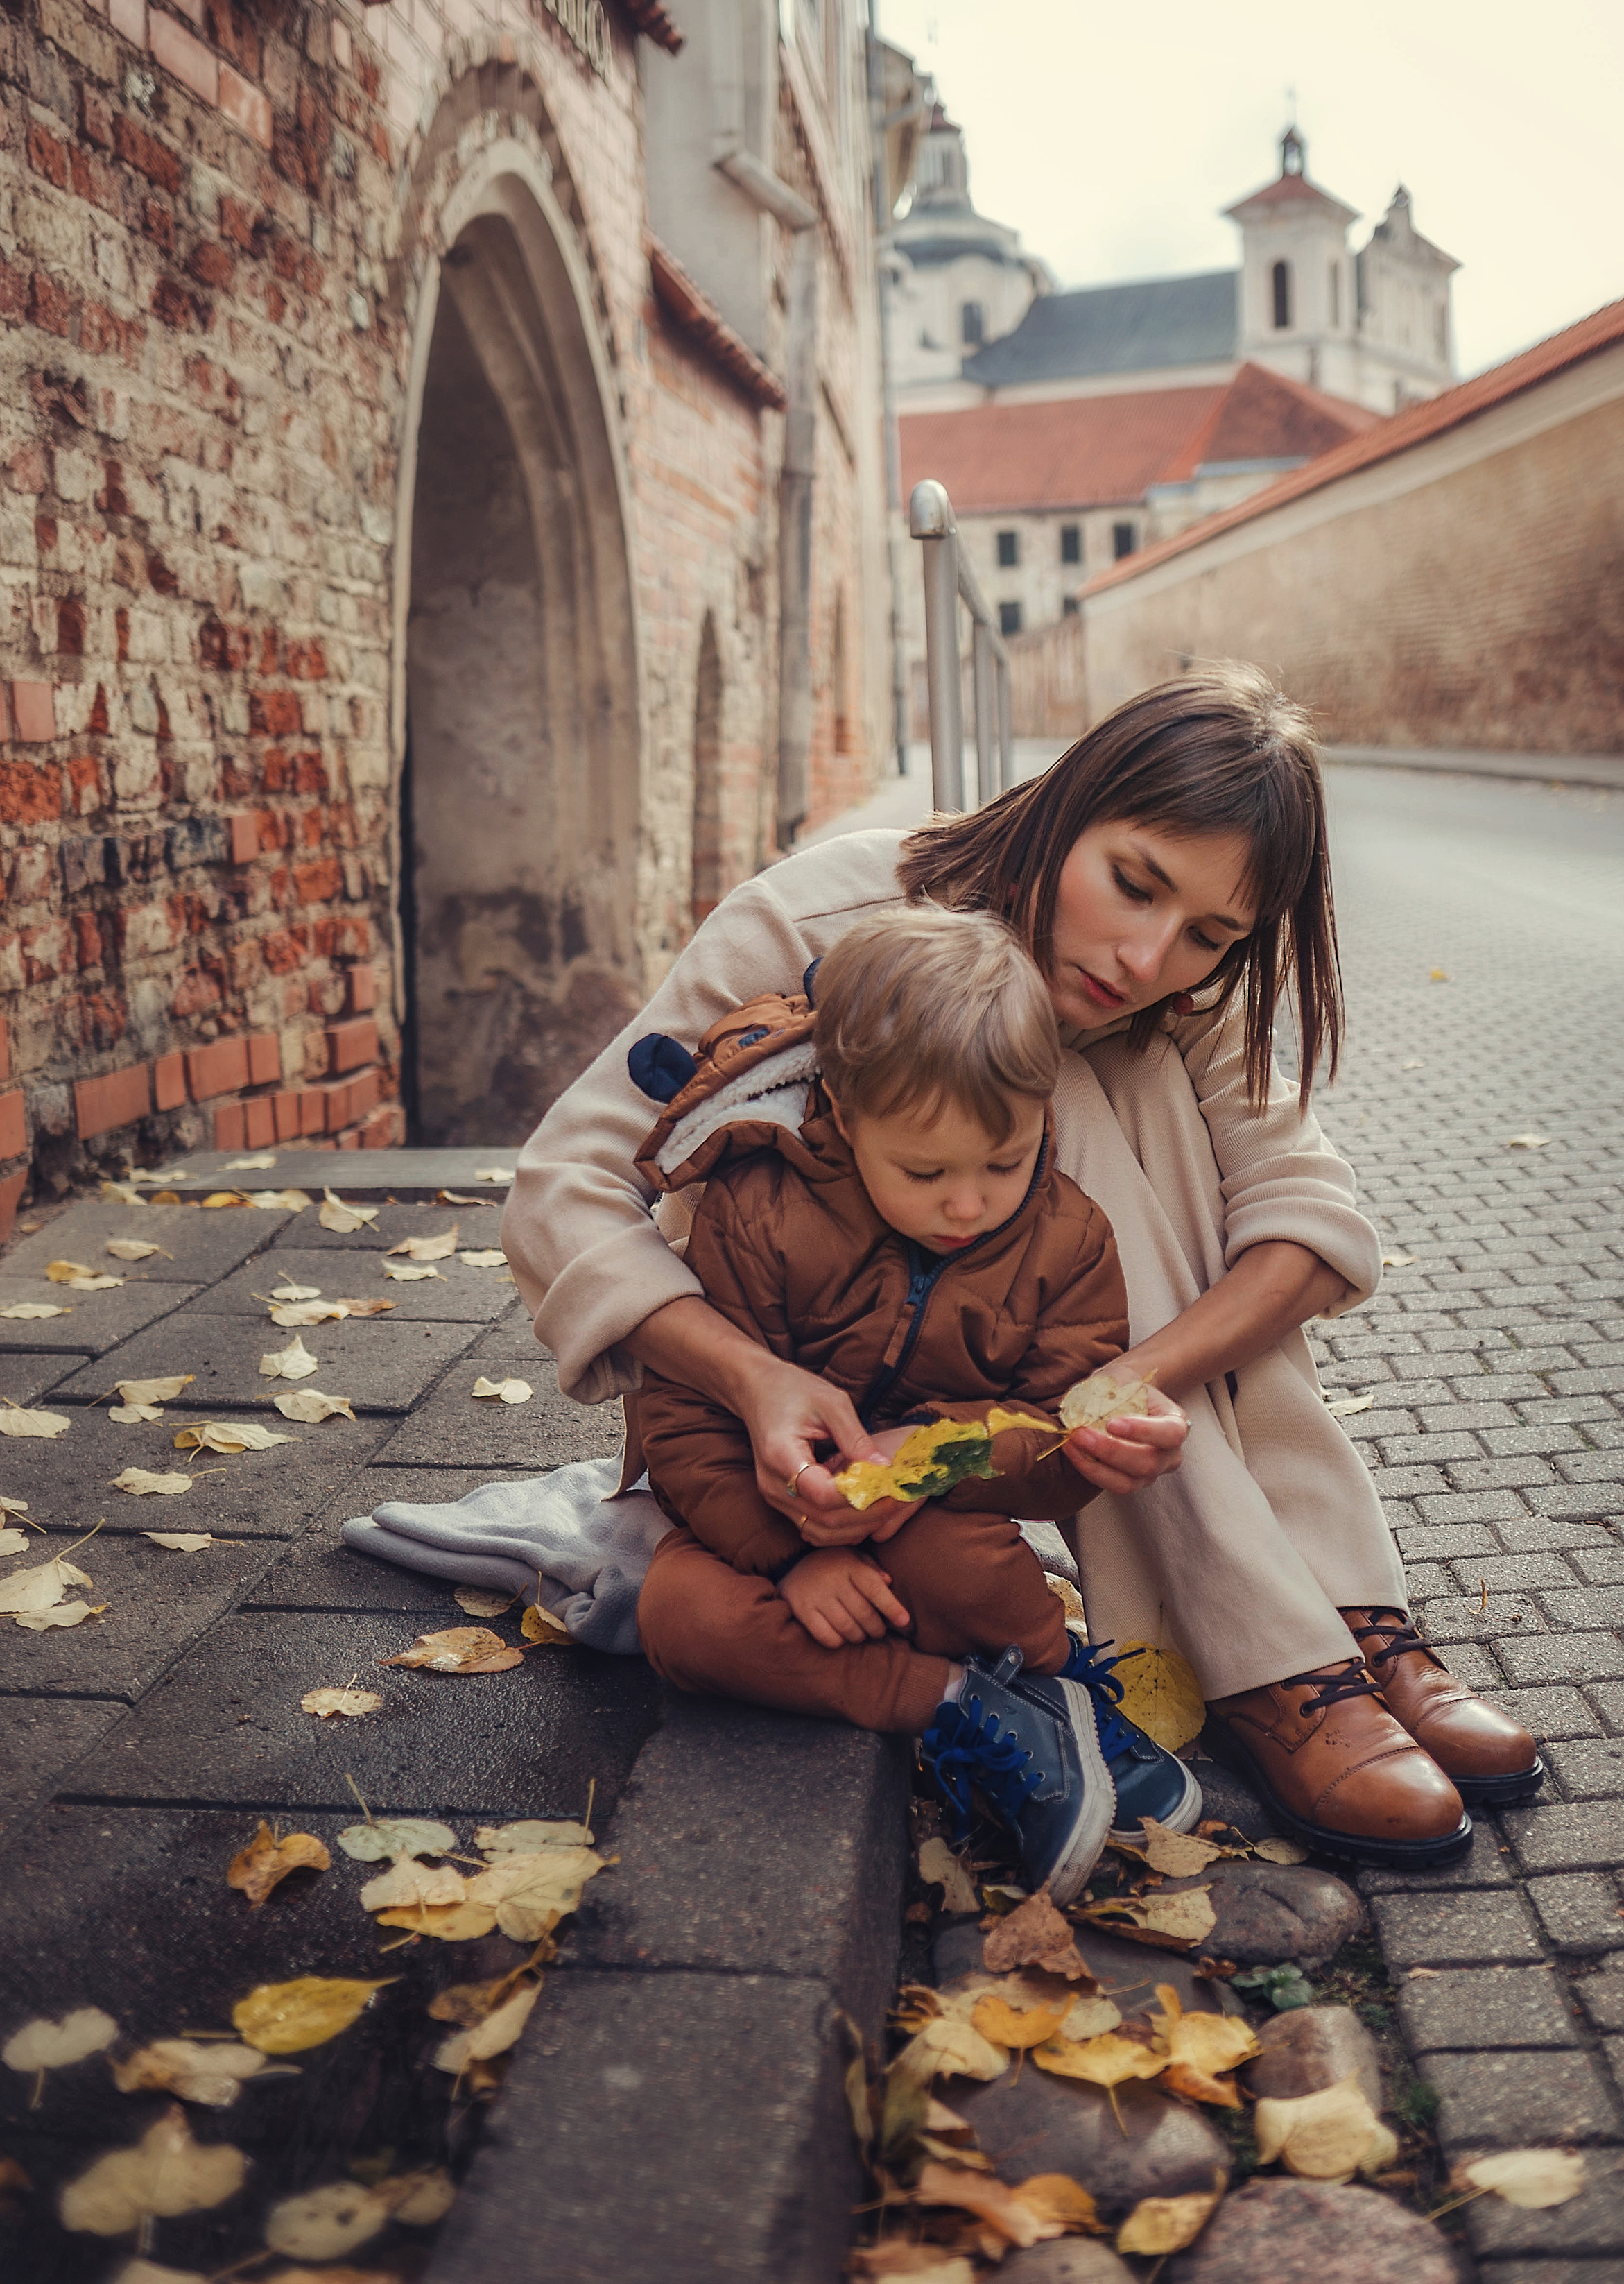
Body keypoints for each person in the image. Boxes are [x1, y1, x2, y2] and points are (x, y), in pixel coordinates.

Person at [506, 663, 1540, 1869]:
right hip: (807, 1401)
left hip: (998, 1416)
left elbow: (1309, 1223)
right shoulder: (820, 917)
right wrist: (748, 1379)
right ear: (1066, 802)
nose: (1150, 956)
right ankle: (1275, 1659)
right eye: (1134, 883)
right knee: (1066, 1086)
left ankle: (1341, 1619)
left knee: (1162, 1101)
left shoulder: (1179, 993)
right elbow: (565, 1185)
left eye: (1211, 934)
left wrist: (1113, 1390)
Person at [629, 904, 1202, 1907]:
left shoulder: (1067, 1240)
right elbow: (681, 1414)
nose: (970, 1204)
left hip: (941, 1529)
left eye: (1005, 1161)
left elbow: (1054, 1440)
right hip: (756, 1527)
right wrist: (796, 1555)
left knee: (958, 1560)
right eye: (925, 1172)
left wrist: (944, 1455)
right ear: (845, 1116)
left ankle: (1053, 1677)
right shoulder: (757, 1208)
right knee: (680, 1617)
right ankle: (962, 1709)